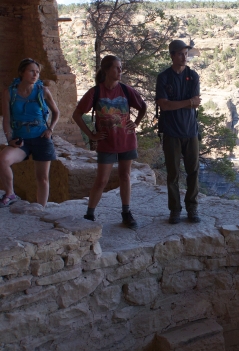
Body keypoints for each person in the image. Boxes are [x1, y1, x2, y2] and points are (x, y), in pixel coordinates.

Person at [72, 55, 147, 229]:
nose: (120, 71)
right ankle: (89, 214)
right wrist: (91, 135)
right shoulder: (96, 92)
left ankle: (126, 213)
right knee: (102, 180)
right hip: (107, 143)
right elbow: (76, 114)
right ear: (106, 70)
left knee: (125, 176)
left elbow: (142, 106)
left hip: (126, 140)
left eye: (121, 67)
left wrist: (136, 123)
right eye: (116, 68)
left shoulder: (126, 90)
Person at [0, 58, 60, 207]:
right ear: (22, 72)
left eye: (37, 72)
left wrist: (50, 129)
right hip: (22, 139)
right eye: (31, 71)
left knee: (42, 178)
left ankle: (41, 209)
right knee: (3, 160)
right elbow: (6, 119)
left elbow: (56, 112)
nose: (35, 75)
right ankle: (10, 193)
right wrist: (10, 139)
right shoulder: (9, 93)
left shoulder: (43, 91)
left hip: (41, 137)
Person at [156, 40, 201, 224]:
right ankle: (174, 210)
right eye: (181, 54)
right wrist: (187, 102)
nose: (185, 57)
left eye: (186, 53)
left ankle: (192, 208)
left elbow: (196, 101)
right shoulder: (164, 77)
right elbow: (164, 105)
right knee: (173, 174)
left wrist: (180, 103)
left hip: (190, 130)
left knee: (193, 172)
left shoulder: (192, 75)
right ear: (172, 55)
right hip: (171, 132)